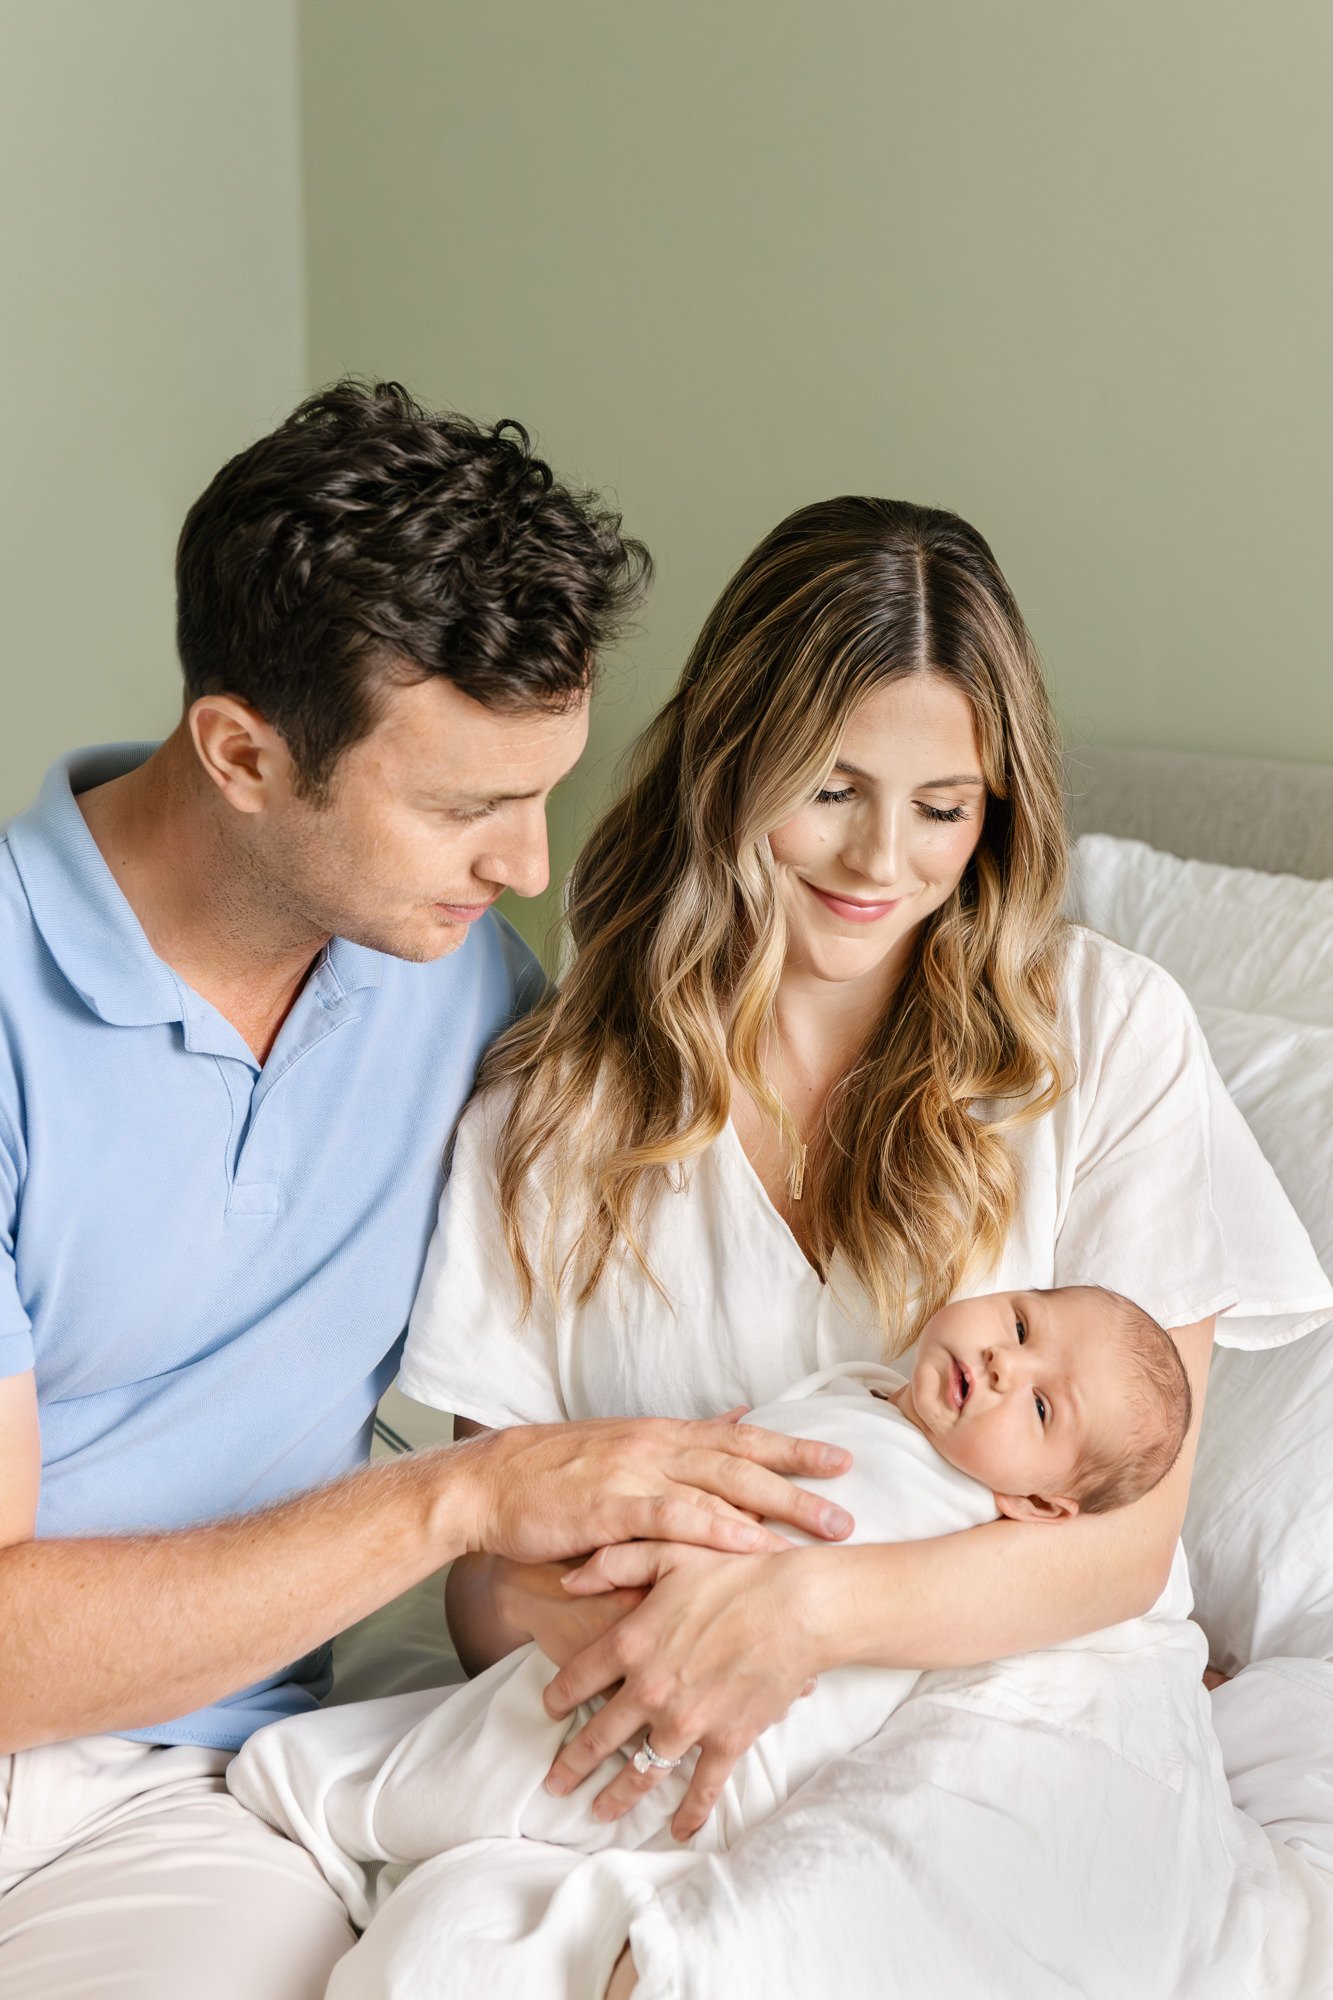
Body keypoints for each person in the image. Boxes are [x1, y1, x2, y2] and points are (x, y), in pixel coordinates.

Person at [391, 496, 1333, 1998]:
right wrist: (670, 1638)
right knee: (447, 1946)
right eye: (829, 787)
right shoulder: (554, 1099)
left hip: (1031, 1706)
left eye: (942, 807)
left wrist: (806, 1615)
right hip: (666, 1708)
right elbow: (483, 1579)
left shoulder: (1107, 1037)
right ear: (732, 758)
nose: (880, 858)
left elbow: (1125, 1537)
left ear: (997, 810)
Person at [0, 383, 855, 2000]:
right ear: (243, 753)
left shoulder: (466, 996)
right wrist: (454, 1502)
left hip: (184, 1800)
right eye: (465, 807)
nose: (526, 865)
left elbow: (546, 1514)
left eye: (541, 791)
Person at [226, 1283, 1195, 1999]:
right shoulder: (859, 1394)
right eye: (1020, 1323)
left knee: (556, 1794)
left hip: (742, 1749)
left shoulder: (976, 1523)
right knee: (513, 1746)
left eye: (1037, 1405)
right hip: (620, 1629)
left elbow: (1081, 1600)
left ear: (1039, 1503)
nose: (1002, 1362)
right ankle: (367, 1810)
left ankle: (346, 1801)